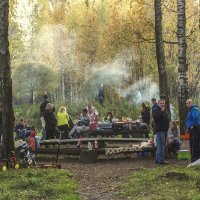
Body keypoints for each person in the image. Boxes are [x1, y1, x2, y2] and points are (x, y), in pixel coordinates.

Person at [152, 99, 170, 164]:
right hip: (160, 130)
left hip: (165, 129)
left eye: (163, 103)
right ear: (158, 104)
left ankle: (157, 159)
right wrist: (162, 112)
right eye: (161, 103)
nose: (162, 104)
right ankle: (161, 160)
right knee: (161, 145)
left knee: (160, 145)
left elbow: (166, 118)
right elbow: (156, 118)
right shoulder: (155, 110)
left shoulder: (164, 110)